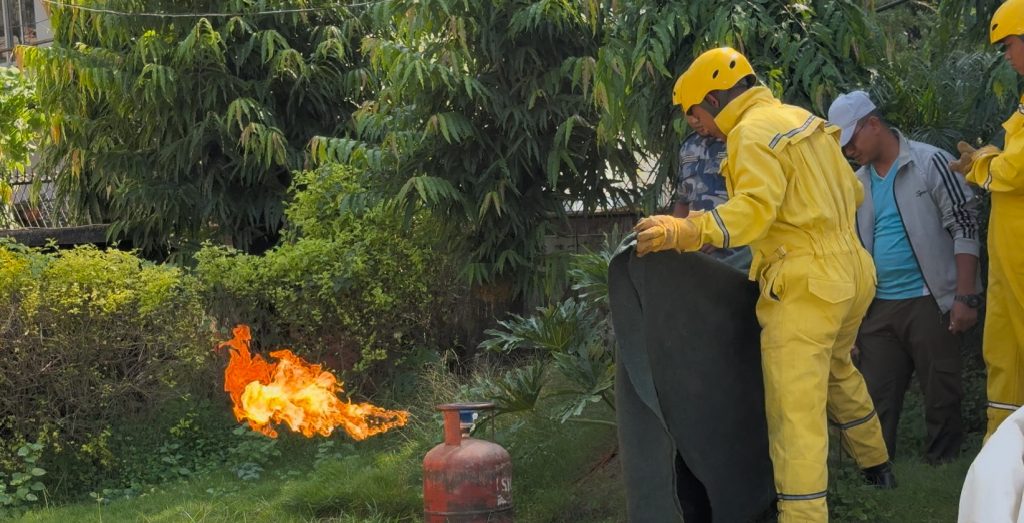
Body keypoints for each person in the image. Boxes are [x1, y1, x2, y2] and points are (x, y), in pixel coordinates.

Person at [634, 47, 894, 522]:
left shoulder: (749, 133)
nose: (699, 127)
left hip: (806, 284)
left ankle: (802, 516)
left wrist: (686, 230)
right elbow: (854, 192)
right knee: (838, 371)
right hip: (854, 272)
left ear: (714, 98)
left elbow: (753, 211)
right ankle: (877, 465)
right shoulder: (803, 120)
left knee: (795, 411)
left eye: (696, 115)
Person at [828, 90, 981, 464]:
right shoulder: (856, 184)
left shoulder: (930, 162)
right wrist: (851, 320)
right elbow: (850, 251)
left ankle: (942, 464)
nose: (848, 151)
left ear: (873, 124)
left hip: (930, 298)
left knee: (942, 388)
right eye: (842, 146)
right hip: (878, 305)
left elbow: (965, 225)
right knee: (874, 393)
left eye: (851, 141)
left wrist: (964, 296)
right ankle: (875, 468)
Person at [948, 0, 1024, 441]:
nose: (1007, 56)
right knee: (1003, 351)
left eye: (1009, 45)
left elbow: (1015, 170)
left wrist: (981, 164)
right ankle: (1000, 454)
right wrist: (987, 156)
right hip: (1009, 252)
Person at [674, 114, 753, 272]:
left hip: (740, 255)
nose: (694, 119)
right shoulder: (688, 146)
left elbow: (757, 201)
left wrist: (717, 232)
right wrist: (677, 236)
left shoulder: (742, 139)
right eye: (688, 113)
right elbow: (683, 201)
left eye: (696, 112)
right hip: (698, 256)